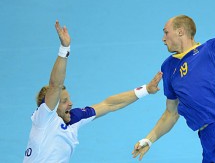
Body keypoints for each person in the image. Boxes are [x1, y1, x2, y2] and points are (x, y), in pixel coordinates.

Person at [132, 0, 215, 163]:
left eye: (166, 32)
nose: (163, 38)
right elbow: (171, 113)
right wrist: (149, 139)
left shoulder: (211, 50)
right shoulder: (168, 67)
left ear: (180, 32)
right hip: (207, 140)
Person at [23, 20, 162, 163]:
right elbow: (55, 85)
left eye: (68, 99)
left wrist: (146, 89)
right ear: (51, 105)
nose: (70, 104)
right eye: (64, 101)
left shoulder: (75, 118)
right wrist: (64, 49)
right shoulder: (44, 118)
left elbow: (109, 104)